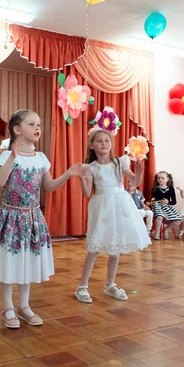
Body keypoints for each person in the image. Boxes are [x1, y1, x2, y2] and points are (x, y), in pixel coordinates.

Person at [0, 109, 81, 328]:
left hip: (32, 218)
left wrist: (67, 175)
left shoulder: (41, 158)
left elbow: (48, 186)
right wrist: (12, 156)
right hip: (10, 216)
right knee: (9, 260)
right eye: (31, 124)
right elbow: (0, 182)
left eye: (38, 124)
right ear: (17, 130)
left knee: (27, 259)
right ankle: (8, 306)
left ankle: (25, 306)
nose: (37, 128)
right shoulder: (5, 156)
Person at [74, 128, 150, 304]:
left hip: (120, 204)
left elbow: (135, 182)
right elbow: (86, 193)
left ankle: (110, 284)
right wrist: (81, 177)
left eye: (106, 141)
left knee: (115, 249)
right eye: (99, 141)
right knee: (93, 249)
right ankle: (82, 287)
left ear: (111, 144)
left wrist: (139, 171)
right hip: (101, 206)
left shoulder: (119, 162)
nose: (103, 143)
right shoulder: (90, 167)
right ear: (92, 145)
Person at [151, 171, 181, 240]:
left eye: (162, 178)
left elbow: (174, 201)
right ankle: (157, 234)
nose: (160, 179)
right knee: (160, 217)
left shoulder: (171, 189)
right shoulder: (155, 189)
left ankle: (165, 230)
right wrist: (150, 202)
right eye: (159, 178)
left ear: (167, 179)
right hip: (157, 205)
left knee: (178, 220)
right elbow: (152, 199)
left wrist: (168, 202)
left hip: (167, 206)